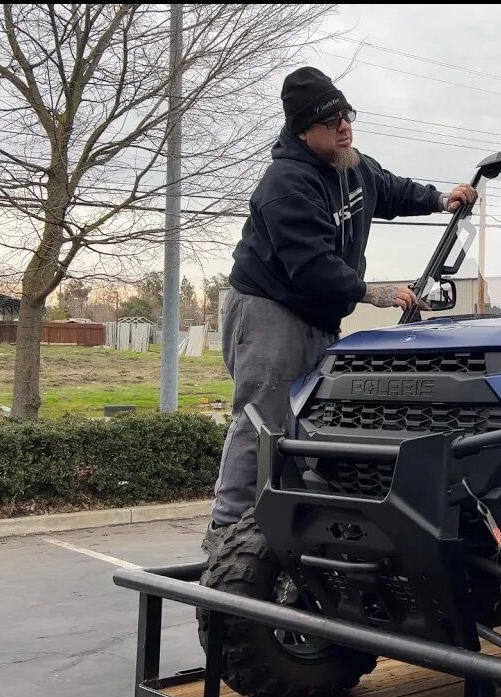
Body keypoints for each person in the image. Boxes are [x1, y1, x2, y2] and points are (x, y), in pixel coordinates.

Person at [203, 66, 477, 553]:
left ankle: (295, 528)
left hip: (316, 315)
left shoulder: (352, 164)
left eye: (346, 114)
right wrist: (376, 293)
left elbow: (390, 190)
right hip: (268, 309)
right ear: (303, 131)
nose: (344, 126)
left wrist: (439, 199)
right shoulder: (284, 185)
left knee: (311, 421)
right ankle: (225, 532)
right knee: (263, 418)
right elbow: (312, 268)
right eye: (331, 121)